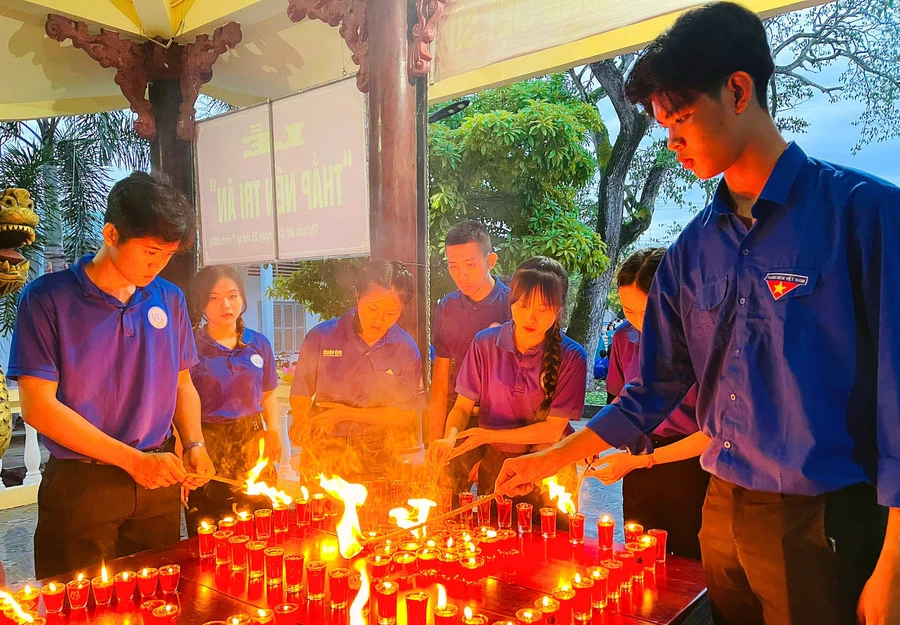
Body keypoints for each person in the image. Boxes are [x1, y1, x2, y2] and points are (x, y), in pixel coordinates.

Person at [494, 4, 899, 624]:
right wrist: (549, 459)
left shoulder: (864, 217)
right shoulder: (692, 252)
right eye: (662, 125)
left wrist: (893, 568)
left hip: (820, 521)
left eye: (682, 118)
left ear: (739, 90)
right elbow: (652, 389)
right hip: (721, 512)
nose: (672, 141)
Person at [9, 172, 214, 579]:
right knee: (77, 600)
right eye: (151, 251)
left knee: (159, 595)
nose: (158, 265)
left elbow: (182, 384)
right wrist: (131, 461)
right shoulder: (48, 299)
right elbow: (38, 406)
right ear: (111, 234)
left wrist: (194, 442)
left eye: (168, 255)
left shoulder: (168, 299)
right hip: (83, 484)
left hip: (157, 478)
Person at [427, 256, 587, 516]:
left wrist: (488, 435)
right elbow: (462, 407)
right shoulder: (485, 344)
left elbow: (551, 430)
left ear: (559, 309)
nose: (530, 317)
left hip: (550, 469)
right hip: (497, 468)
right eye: (523, 305)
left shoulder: (572, 356)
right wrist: (449, 438)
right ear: (511, 300)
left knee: (551, 549)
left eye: (543, 308)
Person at [590, 248, 710, 560]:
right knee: (639, 553)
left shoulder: (701, 343)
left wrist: (642, 461)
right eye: (630, 311)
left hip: (691, 463)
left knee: (688, 562)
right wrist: (596, 438)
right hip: (639, 458)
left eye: (650, 312)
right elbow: (619, 398)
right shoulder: (623, 338)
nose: (642, 323)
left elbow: (715, 432)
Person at [288, 260, 423, 482]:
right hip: (322, 447)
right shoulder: (322, 336)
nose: (379, 320)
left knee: (374, 515)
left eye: (391, 313)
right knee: (317, 514)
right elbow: (301, 390)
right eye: (372, 308)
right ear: (357, 296)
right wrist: (301, 420)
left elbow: (404, 414)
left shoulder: (405, 349)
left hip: (376, 451)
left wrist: (348, 414)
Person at [185, 265, 281, 531]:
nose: (225, 305)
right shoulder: (190, 346)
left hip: (252, 442)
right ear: (200, 303)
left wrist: (273, 431)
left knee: (262, 522)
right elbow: (178, 403)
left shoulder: (258, 343)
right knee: (211, 526)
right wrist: (187, 448)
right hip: (208, 444)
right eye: (213, 298)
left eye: (232, 295)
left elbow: (269, 394)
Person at [430, 220, 511, 497]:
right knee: (449, 508)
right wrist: (436, 441)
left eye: (470, 264)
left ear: (490, 260)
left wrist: (493, 452)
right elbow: (440, 383)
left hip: (502, 428)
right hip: (458, 422)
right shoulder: (446, 307)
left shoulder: (513, 305)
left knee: (495, 510)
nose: (460, 275)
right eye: (453, 266)